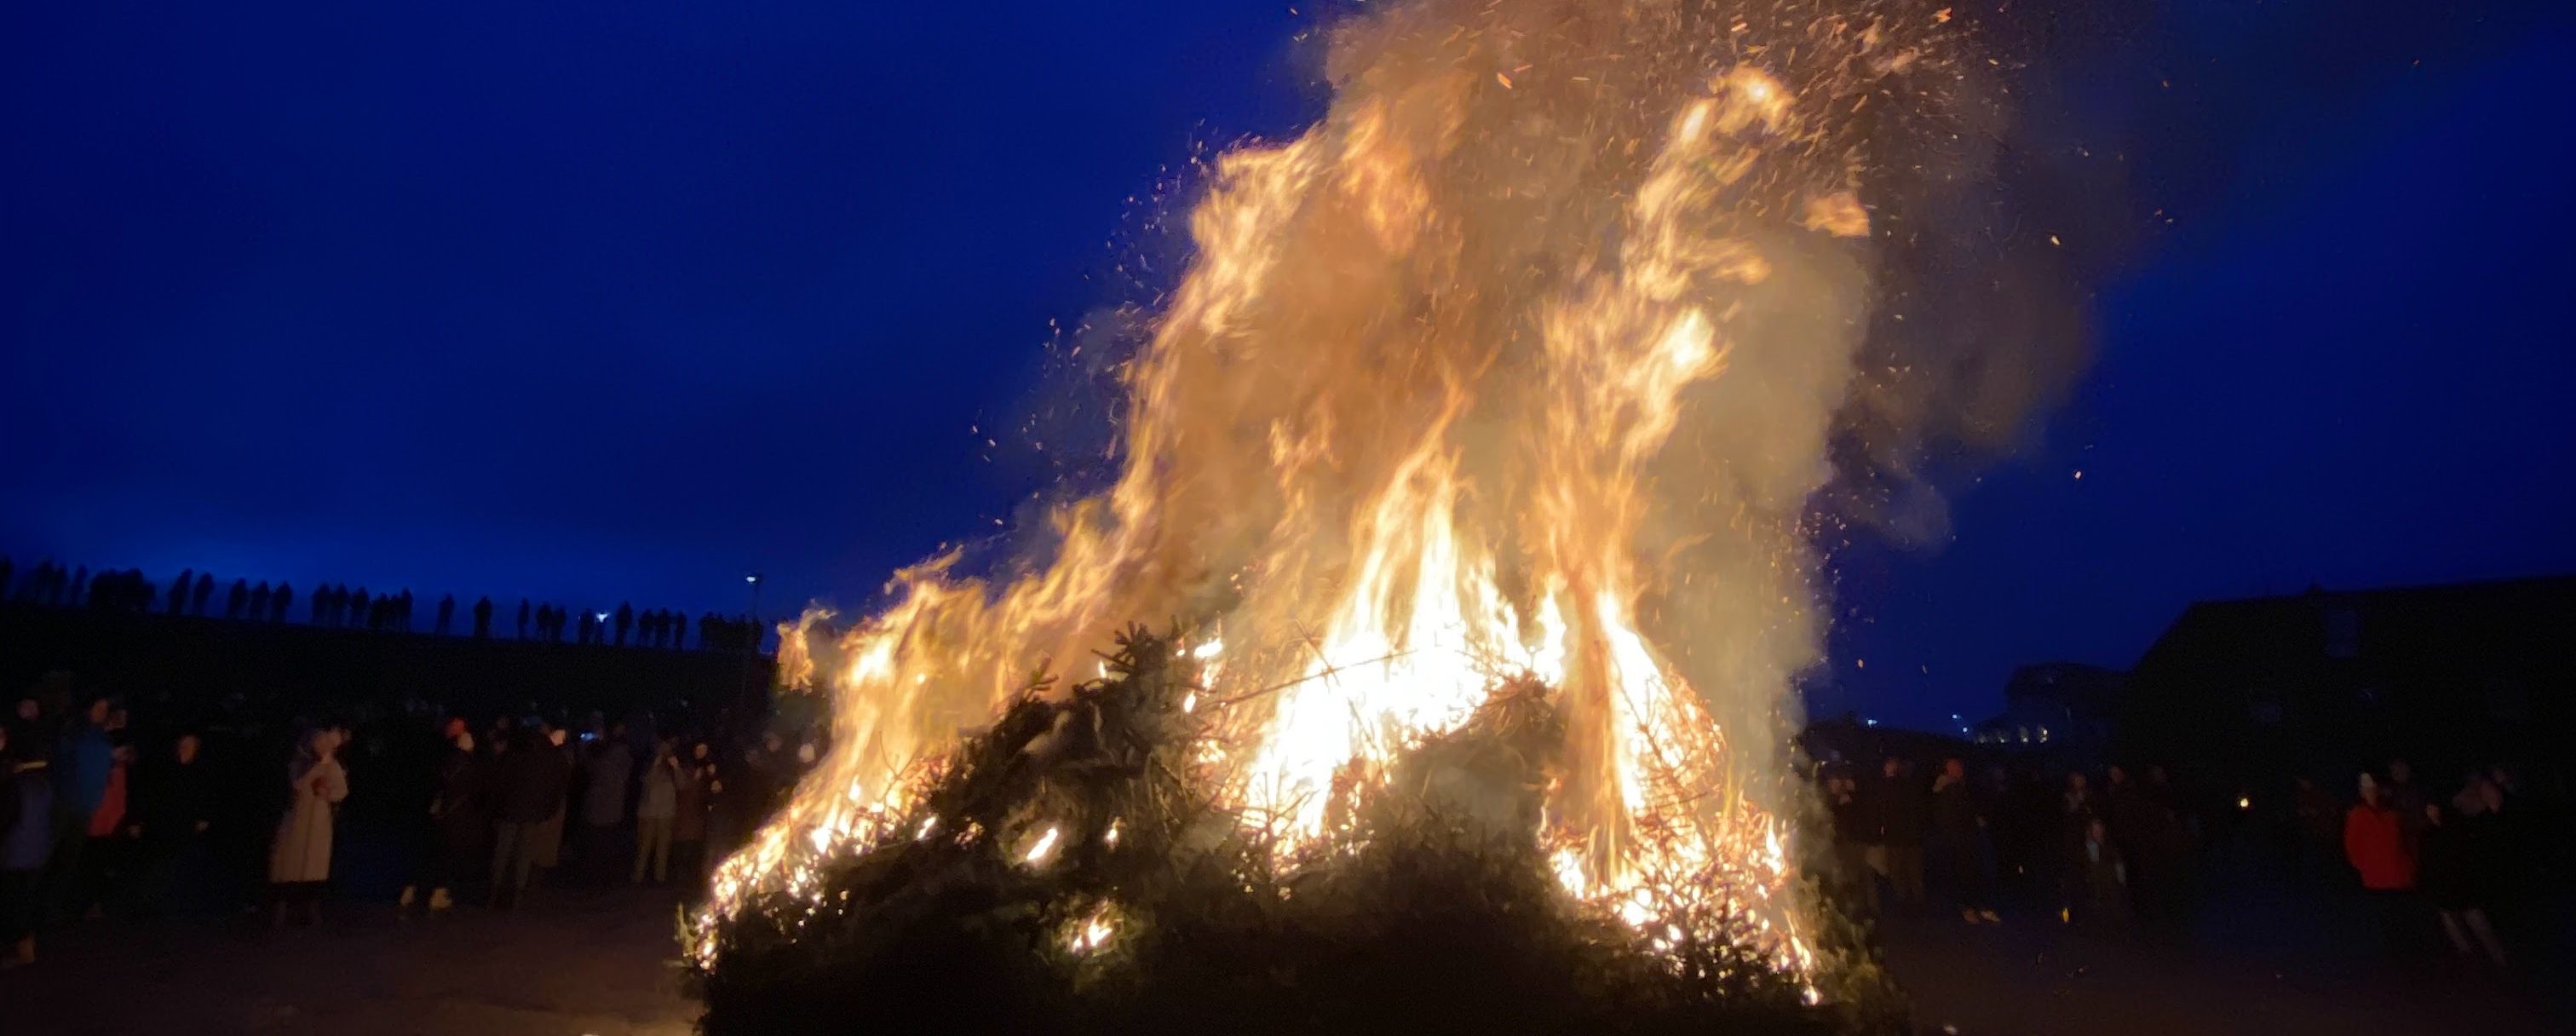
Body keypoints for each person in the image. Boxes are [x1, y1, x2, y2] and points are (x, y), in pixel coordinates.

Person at [268, 728, 350, 928]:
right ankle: (282, 908)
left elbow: (341, 790)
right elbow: (297, 784)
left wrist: (328, 793)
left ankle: (312, 909)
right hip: (298, 819)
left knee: (314, 867)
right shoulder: (299, 763)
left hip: (319, 823)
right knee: (290, 865)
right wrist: (317, 767)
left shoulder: (333, 765)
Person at [2418, 789, 2508, 968]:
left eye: (2434, 807)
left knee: (2480, 924)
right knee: (2455, 928)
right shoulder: (2428, 834)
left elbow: (2467, 855)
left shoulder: (2456, 826)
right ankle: (2470, 960)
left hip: (2463, 886)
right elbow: (2427, 863)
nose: (2432, 811)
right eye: (2428, 808)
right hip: (2443, 889)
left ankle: (2499, 958)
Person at [128, 734, 214, 917]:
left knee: (174, 861)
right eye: (183, 744)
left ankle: (164, 901)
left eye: (190, 745)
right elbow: (149, 794)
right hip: (161, 822)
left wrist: (202, 817)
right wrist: (139, 819)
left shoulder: (199, 770)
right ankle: (145, 902)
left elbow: (204, 795)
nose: (186, 748)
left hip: (184, 824)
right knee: (156, 860)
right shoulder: (164, 768)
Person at [400, 723, 482, 915]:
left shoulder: (443, 761)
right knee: (446, 856)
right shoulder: (471, 766)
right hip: (455, 817)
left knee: (427, 854)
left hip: (434, 814)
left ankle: (411, 889)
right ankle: (438, 894)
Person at [488, 726, 572, 907]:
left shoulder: (515, 756)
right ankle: (517, 892)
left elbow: (500, 782)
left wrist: (498, 807)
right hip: (532, 814)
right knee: (524, 852)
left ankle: (494, 891)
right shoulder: (548, 760)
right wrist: (546, 810)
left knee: (503, 850)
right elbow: (555, 787)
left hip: (509, 811)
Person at [3, 734, 53, 968]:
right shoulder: (44, 783)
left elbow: (5, 819)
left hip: (15, 853)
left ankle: (23, 950)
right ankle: (27, 944)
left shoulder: (17, 785)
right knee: (25, 899)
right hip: (36, 851)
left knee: (15, 902)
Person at [1931, 757, 1998, 924]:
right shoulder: (1948, 790)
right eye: (1955, 768)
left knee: (1975, 872)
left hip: (1970, 836)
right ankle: (1968, 907)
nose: (1959, 770)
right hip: (1958, 838)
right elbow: (1949, 816)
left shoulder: (1964, 786)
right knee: (1964, 873)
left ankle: (1979, 906)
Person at [1866, 756, 1929, 911]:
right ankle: (1916, 901)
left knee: (1899, 870)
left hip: (1898, 836)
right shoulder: (1911, 786)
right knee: (1911, 871)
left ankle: (1905, 901)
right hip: (1909, 836)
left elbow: (1883, 810)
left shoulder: (1889, 787)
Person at [578, 726, 633, 884]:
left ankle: (593, 877)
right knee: (608, 846)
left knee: (595, 846)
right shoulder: (623, 765)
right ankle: (605, 878)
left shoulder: (600, 762)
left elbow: (586, 767)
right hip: (613, 812)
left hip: (597, 812)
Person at [633, 740, 686, 885]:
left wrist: (676, 768)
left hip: (666, 813)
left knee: (663, 847)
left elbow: (682, 785)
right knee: (644, 846)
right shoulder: (649, 765)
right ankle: (638, 876)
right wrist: (654, 766)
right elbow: (645, 782)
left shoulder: (673, 768)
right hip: (649, 813)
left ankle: (660, 877)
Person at [673, 741, 713, 880]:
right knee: (684, 844)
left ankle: (693, 875)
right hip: (685, 811)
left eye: (704, 749)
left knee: (696, 845)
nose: (701, 752)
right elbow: (681, 786)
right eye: (699, 749)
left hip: (699, 812)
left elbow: (709, 788)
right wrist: (694, 779)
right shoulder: (687, 766)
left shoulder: (708, 766)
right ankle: (682, 875)